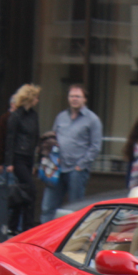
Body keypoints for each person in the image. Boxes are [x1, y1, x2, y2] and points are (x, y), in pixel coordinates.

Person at [41, 83, 102, 222]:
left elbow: (96, 146)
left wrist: (81, 165)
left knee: (75, 208)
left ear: (85, 99)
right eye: (71, 96)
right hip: (57, 168)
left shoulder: (93, 120)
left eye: (78, 96)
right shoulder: (61, 117)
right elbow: (53, 138)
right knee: (48, 207)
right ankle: (45, 239)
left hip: (76, 170)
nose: (74, 99)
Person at [2, 84, 41, 234]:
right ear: (30, 98)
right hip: (18, 157)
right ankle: (27, 225)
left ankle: (14, 225)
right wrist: (9, 162)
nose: (37, 100)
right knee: (30, 190)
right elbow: (10, 139)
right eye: (36, 97)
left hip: (27, 157)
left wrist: (33, 162)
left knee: (23, 192)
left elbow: (34, 138)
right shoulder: (16, 116)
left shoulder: (33, 115)